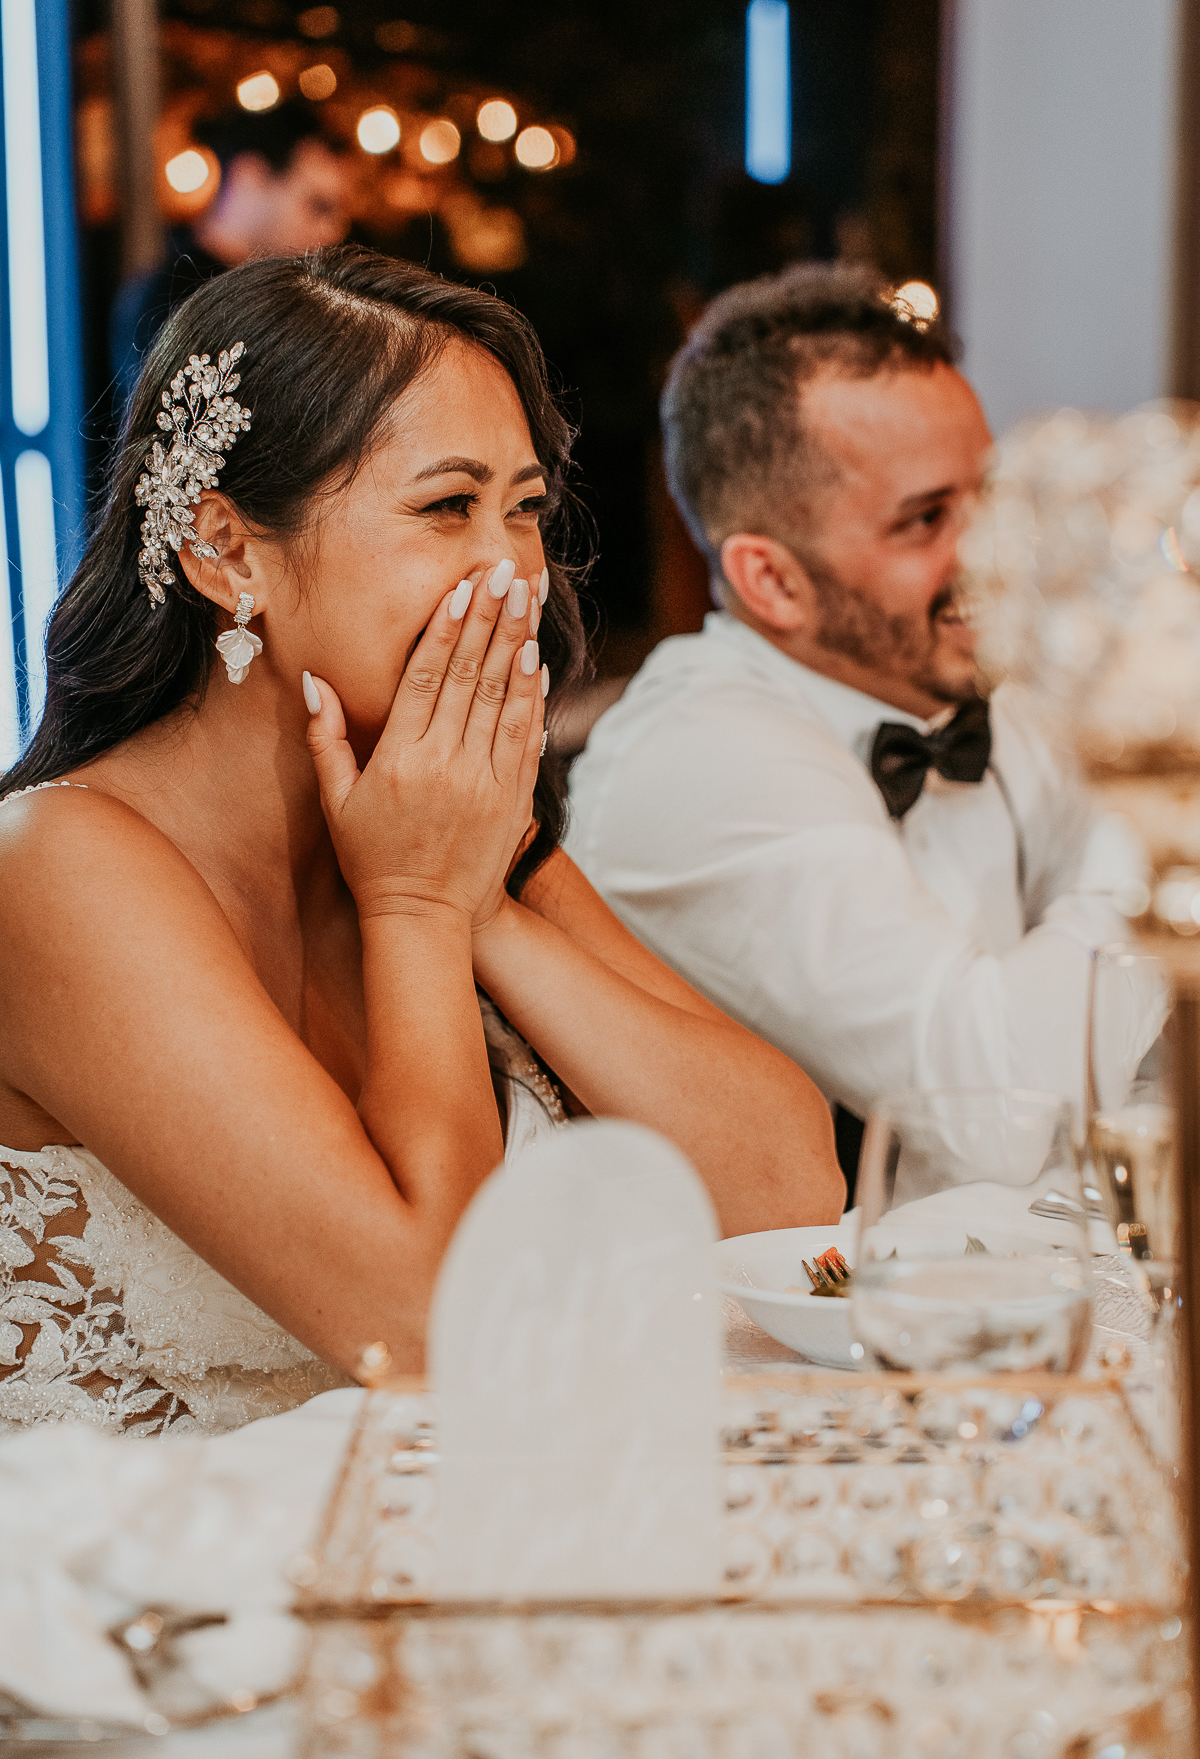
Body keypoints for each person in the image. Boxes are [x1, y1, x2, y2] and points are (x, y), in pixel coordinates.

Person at [0, 248, 840, 1436]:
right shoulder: (58, 869)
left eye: (527, 509)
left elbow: (787, 1192)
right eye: (447, 508)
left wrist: (479, 906)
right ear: (224, 550)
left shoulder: (451, 815)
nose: (513, 574)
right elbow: (437, 1332)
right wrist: (415, 914)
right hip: (160, 1597)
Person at [567, 263, 1141, 1196]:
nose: (993, 547)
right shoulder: (704, 759)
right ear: (773, 582)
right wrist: (1166, 812)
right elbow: (990, 1113)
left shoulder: (965, 686)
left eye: (987, 495)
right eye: (926, 521)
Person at [109, 102, 352, 407]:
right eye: (318, 206)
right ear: (251, 177)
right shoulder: (173, 299)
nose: (333, 231)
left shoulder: (268, 290)